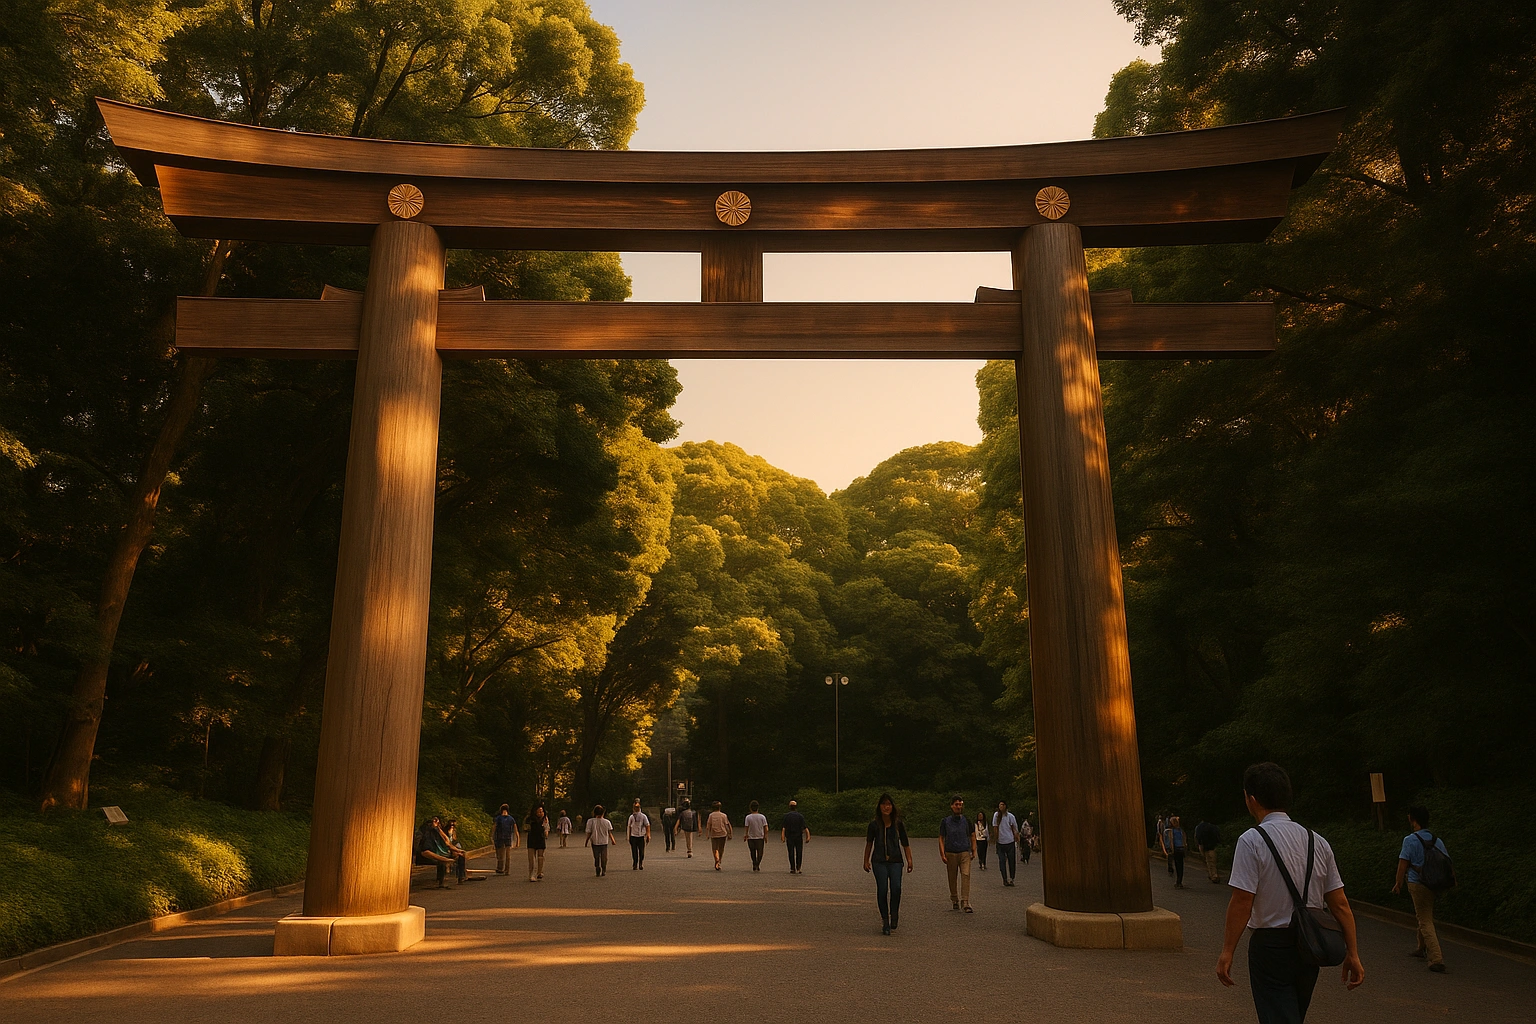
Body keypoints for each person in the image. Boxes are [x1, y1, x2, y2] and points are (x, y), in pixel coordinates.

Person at [1218, 762, 1365, 1023]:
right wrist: (1352, 952)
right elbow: (1340, 904)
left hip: (1270, 946)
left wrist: (1228, 951)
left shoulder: (1251, 840)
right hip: (1310, 944)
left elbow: (1242, 901)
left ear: (1251, 799)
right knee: (1294, 1014)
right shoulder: (1317, 841)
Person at [1392, 805, 1449, 973]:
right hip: (1434, 883)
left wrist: (1398, 883)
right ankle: (1421, 947)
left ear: (1412, 819)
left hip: (1418, 883)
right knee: (1424, 913)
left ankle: (1436, 958)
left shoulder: (1410, 840)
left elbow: (1403, 864)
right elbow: (1446, 861)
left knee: (1425, 919)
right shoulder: (1436, 839)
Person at [863, 792, 913, 935]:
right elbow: (869, 843)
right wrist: (865, 860)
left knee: (896, 887)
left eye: (889, 804)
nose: (886, 807)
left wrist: (910, 859)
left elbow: (905, 843)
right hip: (879, 861)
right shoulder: (873, 825)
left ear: (892, 806)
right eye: (884, 804)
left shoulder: (898, 824)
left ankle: (894, 913)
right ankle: (885, 920)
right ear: (879, 807)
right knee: (883, 889)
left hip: (896, 860)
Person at [938, 795, 976, 912]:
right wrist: (942, 853)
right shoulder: (945, 821)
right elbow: (941, 837)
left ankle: (965, 901)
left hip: (964, 851)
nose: (958, 807)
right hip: (951, 852)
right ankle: (954, 898)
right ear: (952, 806)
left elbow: (972, 835)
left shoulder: (966, 820)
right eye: (956, 804)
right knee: (952, 877)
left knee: (966, 875)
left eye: (960, 804)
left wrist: (974, 849)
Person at [414, 815, 461, 886]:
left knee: (459, 855)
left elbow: (447, 842)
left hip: (439, 853)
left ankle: (461, 877)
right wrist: (445, 859)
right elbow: (425, 852)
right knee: (442, 861)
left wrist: (438, 829)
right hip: (425, 857)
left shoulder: (437, 834)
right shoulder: (428, 836)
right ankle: (442, 882)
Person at [992, 800, 1021, 887]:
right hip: (1000, 842)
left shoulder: (1010, 816)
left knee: (1011, 861)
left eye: (1002, 805)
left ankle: (1012, 878)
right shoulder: (996, 816)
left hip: (1009, 841)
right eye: (1000, 805)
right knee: (1002, 861)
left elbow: (1014, 828)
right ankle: (1004, 878)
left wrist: (1017, 837)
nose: (1001, 806)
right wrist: (996, 838)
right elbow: (995, 827)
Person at [585, 803, 615, 877]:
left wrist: (586, 841)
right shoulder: (607, 822)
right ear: (603, 813)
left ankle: (597, 867)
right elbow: (609, 832)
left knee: (596, 856)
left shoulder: (590, 821)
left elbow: (589, 832)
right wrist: (613, 840)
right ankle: (604, 868)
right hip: (604, 841)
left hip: (594, 841)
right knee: (604, 856)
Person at [781, 800, 810, 873]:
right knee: (799, 852)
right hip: (798, 836)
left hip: (790, 836)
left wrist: (783, 836)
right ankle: (798, 867)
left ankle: (792, 868)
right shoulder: (800, 816)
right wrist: (808, 836)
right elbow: (805, 827)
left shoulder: (786, 816)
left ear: (789, 807)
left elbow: (784, 827)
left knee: (791, 852)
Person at [705, 800, 733, 870]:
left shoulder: (711, 815)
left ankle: (716, 860)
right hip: (723, 834)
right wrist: (730, 833)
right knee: (721, 848)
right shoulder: (724, 815)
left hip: (714, 834)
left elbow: (708, 825)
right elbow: (727, 824)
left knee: (715, 849)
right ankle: (719, 861)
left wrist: (707, 834)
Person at [525, 803, 549, 881]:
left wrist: (546, 833)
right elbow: (526, 827)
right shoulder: (530, 819)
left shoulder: (545, 819)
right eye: (539, 811)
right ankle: (531, 874)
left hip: (540, 838)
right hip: (532, 838)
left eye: (542, 811)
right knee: (531, 857)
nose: (540, 813)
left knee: (540, 856)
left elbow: (547, 827)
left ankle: (539, 872)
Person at [744, 800, 769, 871]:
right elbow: (766, 827)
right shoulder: (762, 817)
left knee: (752, 851)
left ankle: (754, 863)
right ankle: (758, 863)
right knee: (760, 851)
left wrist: (746, 835)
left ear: (750, 808)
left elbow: (746, 827)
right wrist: (765, 835)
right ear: (758, 808)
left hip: (751, 837)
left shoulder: (748, 817)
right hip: (760, 836)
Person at [493, 803, 517, 875]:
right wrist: (517, 838)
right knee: (507, 855)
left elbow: (494, 827)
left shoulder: (498, 818)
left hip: (500, 837)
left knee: (500, 854)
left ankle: (500, 868)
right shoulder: (511, 818)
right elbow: (515, 828)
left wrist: (492, 836)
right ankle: (507, 870)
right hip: (508, 837)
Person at [627, 799, 651, 870]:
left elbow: (647, 825)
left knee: (641, 851)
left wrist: (648, 835)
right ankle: (635, 863)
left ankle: (641, 863)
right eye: (635, 807)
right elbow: (629, 826)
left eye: (637, 807)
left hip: (641, 836)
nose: (636, 809)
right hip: (633, 836)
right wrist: (629, 836)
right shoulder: (631, 817)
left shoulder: (643, 816)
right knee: (634, 851)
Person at [1195, 819, 1222, 883]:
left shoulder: (1199, 827)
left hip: (1204, 846)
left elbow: (1197, 837)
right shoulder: (1213, 827)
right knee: (1212, 861)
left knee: (1208, 861)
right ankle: (1213, 874)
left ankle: (1213, 875)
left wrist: (1199, 844)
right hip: (1212, 846)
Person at [1168, 814, 1188, 888]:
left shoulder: (1172, 831)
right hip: (1181, 848)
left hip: (1176, 849)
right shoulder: (1181, 831)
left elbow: (1171, 841)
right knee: (1181, 865)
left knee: (1177, 865)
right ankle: (1179, 881)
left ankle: (1178, 881)